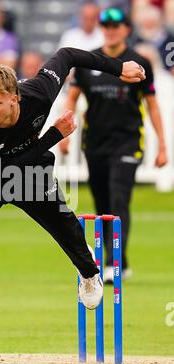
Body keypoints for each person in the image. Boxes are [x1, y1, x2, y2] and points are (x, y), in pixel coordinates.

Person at [0, 44, 145, 364]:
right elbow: (4, 170)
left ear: (15, 97)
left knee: (64, 226)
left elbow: (67, 55)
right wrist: (53, 137)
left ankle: (89, 271)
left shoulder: (40, 92)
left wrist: (117, 69)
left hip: (30, 173)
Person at [59, 8, 167, 284]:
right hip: (95, 144)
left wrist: (163, 146)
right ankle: (121, 260)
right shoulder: (90, 62)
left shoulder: (140, 61)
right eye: (106, 24)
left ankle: (111, 263)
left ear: (126, 29)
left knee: (119, 198)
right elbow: (71, 98)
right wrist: (65, 134)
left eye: (116, 25)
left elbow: (152, 107)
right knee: (103, 203)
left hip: (129, 142)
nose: (110, 29)